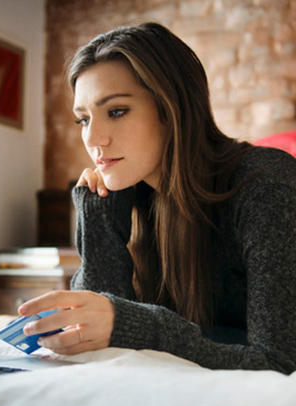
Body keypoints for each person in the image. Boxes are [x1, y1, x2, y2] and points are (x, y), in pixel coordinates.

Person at [20, 22, 296, 373]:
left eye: (116, 111)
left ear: (172, 109)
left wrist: (140, 326)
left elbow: (279, 365)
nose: (94, 138)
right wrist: (100, 220)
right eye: (83, 120)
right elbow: (101, 352)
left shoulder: (267, 186)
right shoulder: (132, 196)